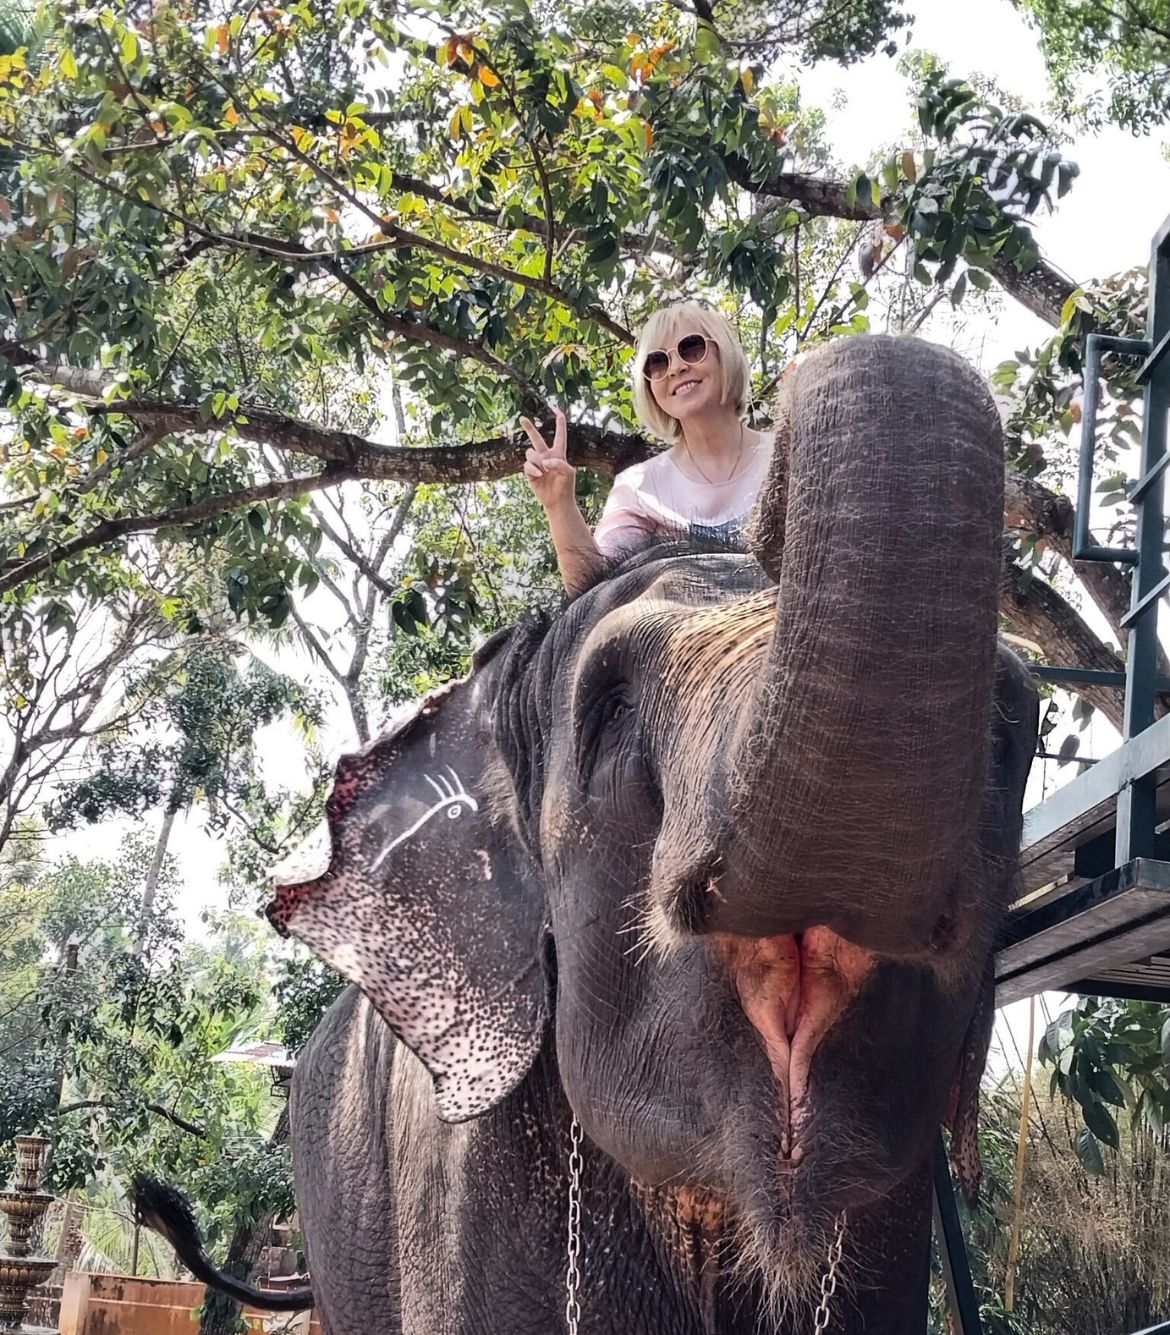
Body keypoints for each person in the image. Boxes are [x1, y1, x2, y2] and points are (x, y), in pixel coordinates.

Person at [521, 301, 773, 595]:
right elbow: (594, 593)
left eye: (691, 348)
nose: (677, 368)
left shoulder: (791, 455)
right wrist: (559, 505)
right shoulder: (640, 486)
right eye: (658, 362)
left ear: (725, 354)